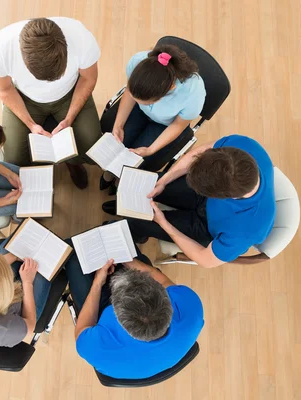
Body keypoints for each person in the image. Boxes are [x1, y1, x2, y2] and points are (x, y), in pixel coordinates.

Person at [116, 134, 276, 268]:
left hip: (207, 228)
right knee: (148, 184)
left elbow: (205, 259)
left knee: (139, 222)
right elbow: (198, 153)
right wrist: (165, 180)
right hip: (209, 198)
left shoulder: (247, 230)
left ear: (225, 197)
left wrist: (163, 223)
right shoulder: (243, 146)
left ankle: (138, 232)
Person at [0, 17, 102, 189]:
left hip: (69, 94)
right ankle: (39, 177)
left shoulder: (81, 37)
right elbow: (5, 90)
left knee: (91, 145)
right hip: (25, 98)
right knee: (14, 158)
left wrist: (69, 118)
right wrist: (30, 124)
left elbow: (88, 78)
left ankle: (73, 162)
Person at [64, 237, 204, 379]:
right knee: (115, 235)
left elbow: (82, 329)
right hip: (153, 357)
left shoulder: (97, 348)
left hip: (104, 319)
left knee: (71, 254)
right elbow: (163, 280)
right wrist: (126, 259)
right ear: (165, 297)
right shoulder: (191, 308)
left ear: (116, 314)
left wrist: (98, 282)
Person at [99, 44, 206, 190]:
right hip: (138, 111)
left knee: (139, 160)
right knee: (117, 144)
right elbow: (130, 93)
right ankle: (110, 173)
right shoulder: (139, 62)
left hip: (166, 124)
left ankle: (120, 181)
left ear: (169, 90)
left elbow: (179, 125)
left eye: (146, 101)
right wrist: (118, 124)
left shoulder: (193, 93)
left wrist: (151, 149)